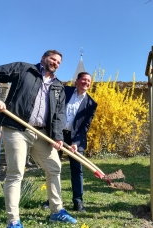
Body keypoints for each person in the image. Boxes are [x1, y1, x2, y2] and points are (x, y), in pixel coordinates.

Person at [0, 50, 77, 228]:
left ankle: (57, 211)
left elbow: (58, 115)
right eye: (52, 59)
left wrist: (57, 137)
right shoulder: (24, 69)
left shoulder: (58, 86)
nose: (55, 63)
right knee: (16, 173)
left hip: (41, 134)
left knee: (54, 168)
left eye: (58, 62)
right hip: (17, 128)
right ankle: (13, 220)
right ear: (43, 58)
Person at [42, 72, 97, 212]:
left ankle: (78, 202)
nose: (86, 83)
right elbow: (52, 110)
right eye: (84, 79)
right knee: (53, 168)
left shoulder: (91, 103)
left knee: (77, 170)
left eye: (89, 81)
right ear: (76, 80)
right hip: (57, 135)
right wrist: (55, 134)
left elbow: (85, 126)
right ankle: (52, 200)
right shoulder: (64, 91)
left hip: (75, 140)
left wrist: (76, 143)